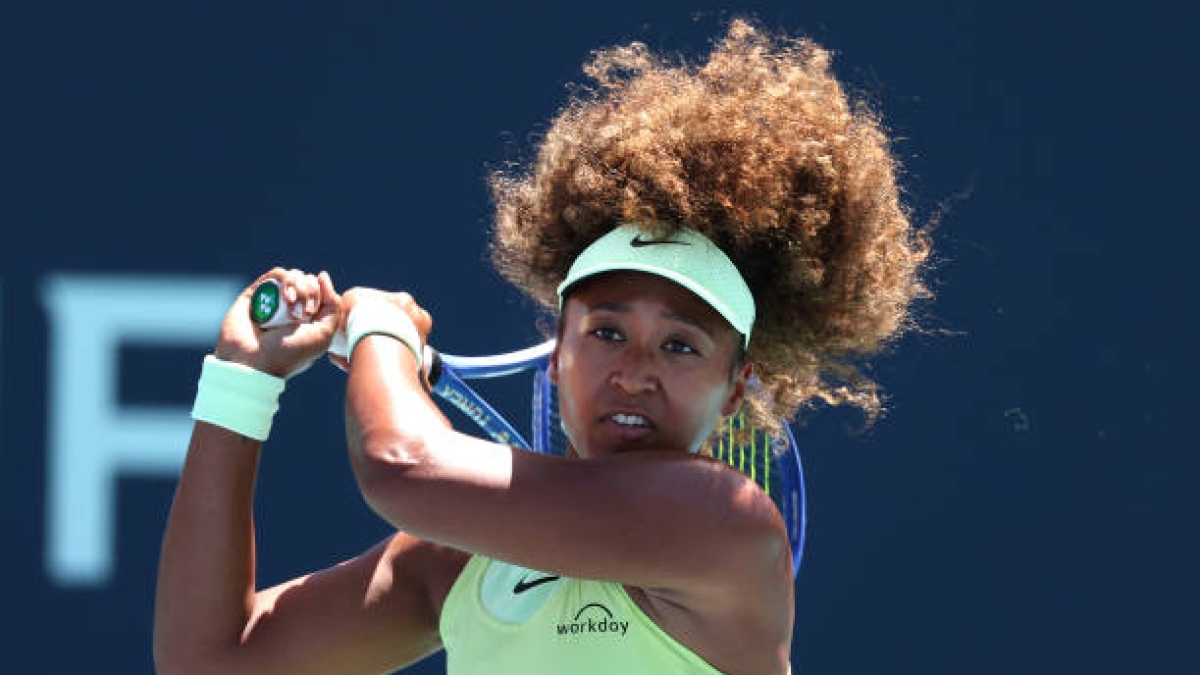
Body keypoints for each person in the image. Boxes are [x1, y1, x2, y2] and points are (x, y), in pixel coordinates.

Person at [154, 19, 928, 675]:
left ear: (736, 387)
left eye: (682, 347)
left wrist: (380, 330)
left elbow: (400, 463)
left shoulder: (725, 527)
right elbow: (210, 660)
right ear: (556, 351)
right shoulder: (457, 563)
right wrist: (240, 379)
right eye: (607, 332)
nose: (635, 372)